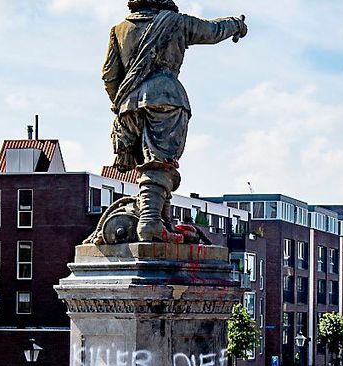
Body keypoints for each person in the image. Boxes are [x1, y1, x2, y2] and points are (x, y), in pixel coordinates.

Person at [102, 0, 247, 242]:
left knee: (148, 165)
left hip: (128, 104)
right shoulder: (176, 22)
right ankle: (149, 223)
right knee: (161, 163)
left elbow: (109, 75)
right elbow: (212, 31)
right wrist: (237, 25)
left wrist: (123, 104)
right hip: (167, 98)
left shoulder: (119, 29)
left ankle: (162, 221)